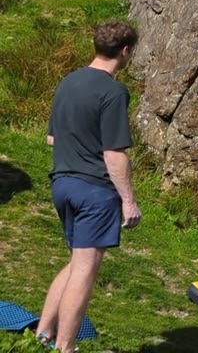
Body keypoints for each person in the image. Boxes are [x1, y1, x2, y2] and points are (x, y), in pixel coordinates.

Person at [36, 20, 141, 352]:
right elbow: (114, 153)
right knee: (84, 271)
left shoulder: (68, 82)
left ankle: (42, 335)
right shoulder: (113, 91)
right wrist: (129, 201)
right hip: (94, 191)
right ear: (125, 51)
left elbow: (52, 138)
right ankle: (65, 347)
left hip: (62, 184)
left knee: (75, 264)